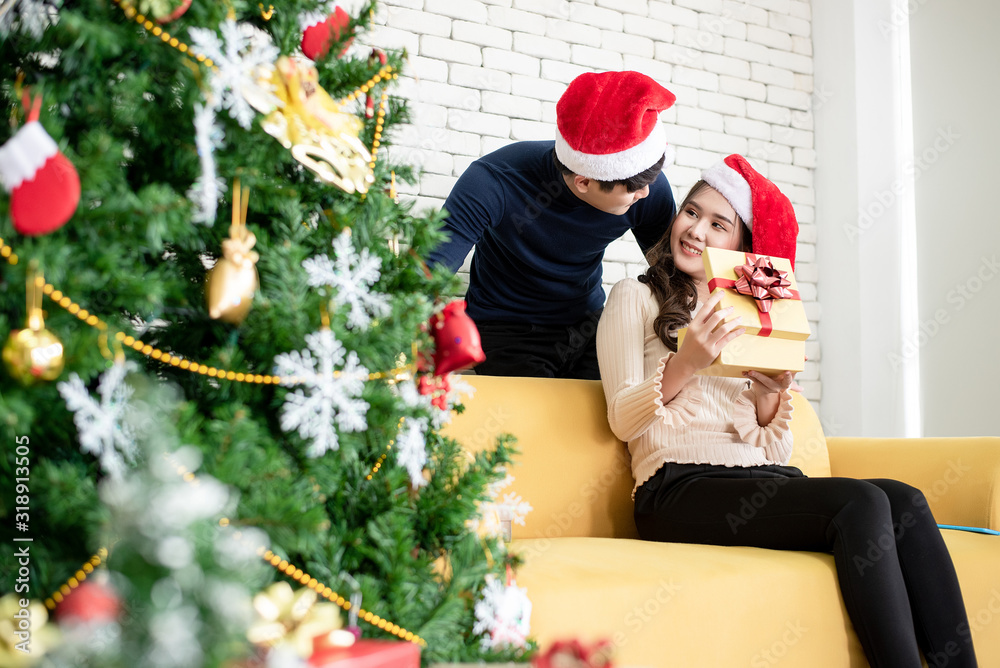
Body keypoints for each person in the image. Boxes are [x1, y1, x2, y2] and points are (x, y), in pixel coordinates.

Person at [596, 154, 978, 668]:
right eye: (691, 212)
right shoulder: (633, 297)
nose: (696, 230)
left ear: (741, 247)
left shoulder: (750, 313)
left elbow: (773, 445)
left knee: (904, 501)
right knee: (860, 503)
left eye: (718, 224)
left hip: (759, 476)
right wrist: (687, 361)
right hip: (677, 488)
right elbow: (622, 417)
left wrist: (770, 396)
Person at [427, 70, 678, 380]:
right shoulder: (493, 182)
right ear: (584, 181)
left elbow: (673, 278)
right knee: (530, 423)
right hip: (505, 327)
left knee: (613, 419)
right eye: (635, 188)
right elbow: (427, 274)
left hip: (589, 326)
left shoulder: (645, 188)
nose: (646, 193)